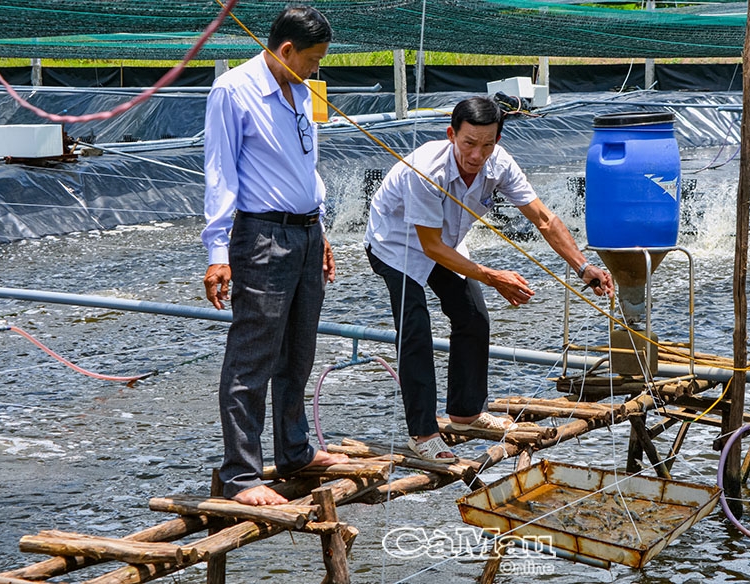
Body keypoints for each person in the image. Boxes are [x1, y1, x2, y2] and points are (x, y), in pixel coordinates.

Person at [364, 96, 614, 462]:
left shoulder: (499, 163)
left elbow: (543, 218)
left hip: (444, 241)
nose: (477, 155)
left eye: (487, 144)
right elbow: (429, 246)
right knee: (415, 327)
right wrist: (493, 276)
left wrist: (582, 266)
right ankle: (423, 433)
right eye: (468, 143)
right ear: (452, 135)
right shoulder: (425, 170)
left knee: (474, 317)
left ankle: (466, 413)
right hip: (396, 243)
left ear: (497, 140)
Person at [201, 4, 347, 507]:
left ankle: (294, 451)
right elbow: (219, 175)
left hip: (306, 234)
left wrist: (321, 228)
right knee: (253, 356)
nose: (315, 68)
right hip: (261, 236)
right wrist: (218, 252)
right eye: (311, 58)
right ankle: (242, 474)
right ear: (285, 50)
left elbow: (307, 166)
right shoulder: (233, 91)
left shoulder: (303, 91)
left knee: (299, 351)